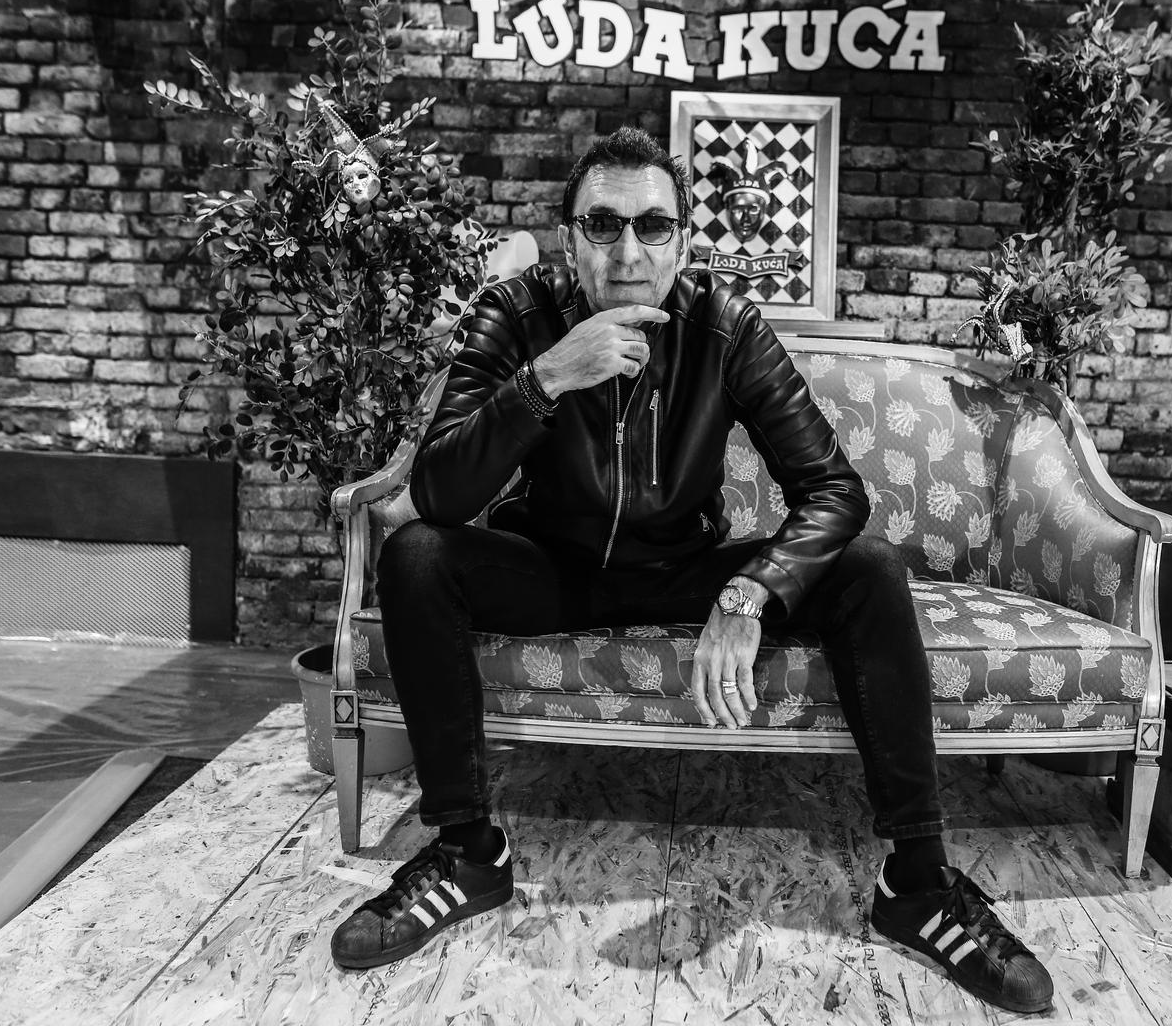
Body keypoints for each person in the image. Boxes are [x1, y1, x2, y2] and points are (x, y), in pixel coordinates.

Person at [329, 126, 1054, 1015]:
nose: (627, 252)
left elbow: (834, 490)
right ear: (568, 239)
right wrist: (545, 379)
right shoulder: (515, 314)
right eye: (602, 225)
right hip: (549, 570)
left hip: (683, 570)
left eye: (652, 226)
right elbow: (438, 493)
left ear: (681, 242)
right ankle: (468, 854)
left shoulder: (724, 325)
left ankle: (918, 881)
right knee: (417, 554)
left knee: (867, 566)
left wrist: (749, 593)